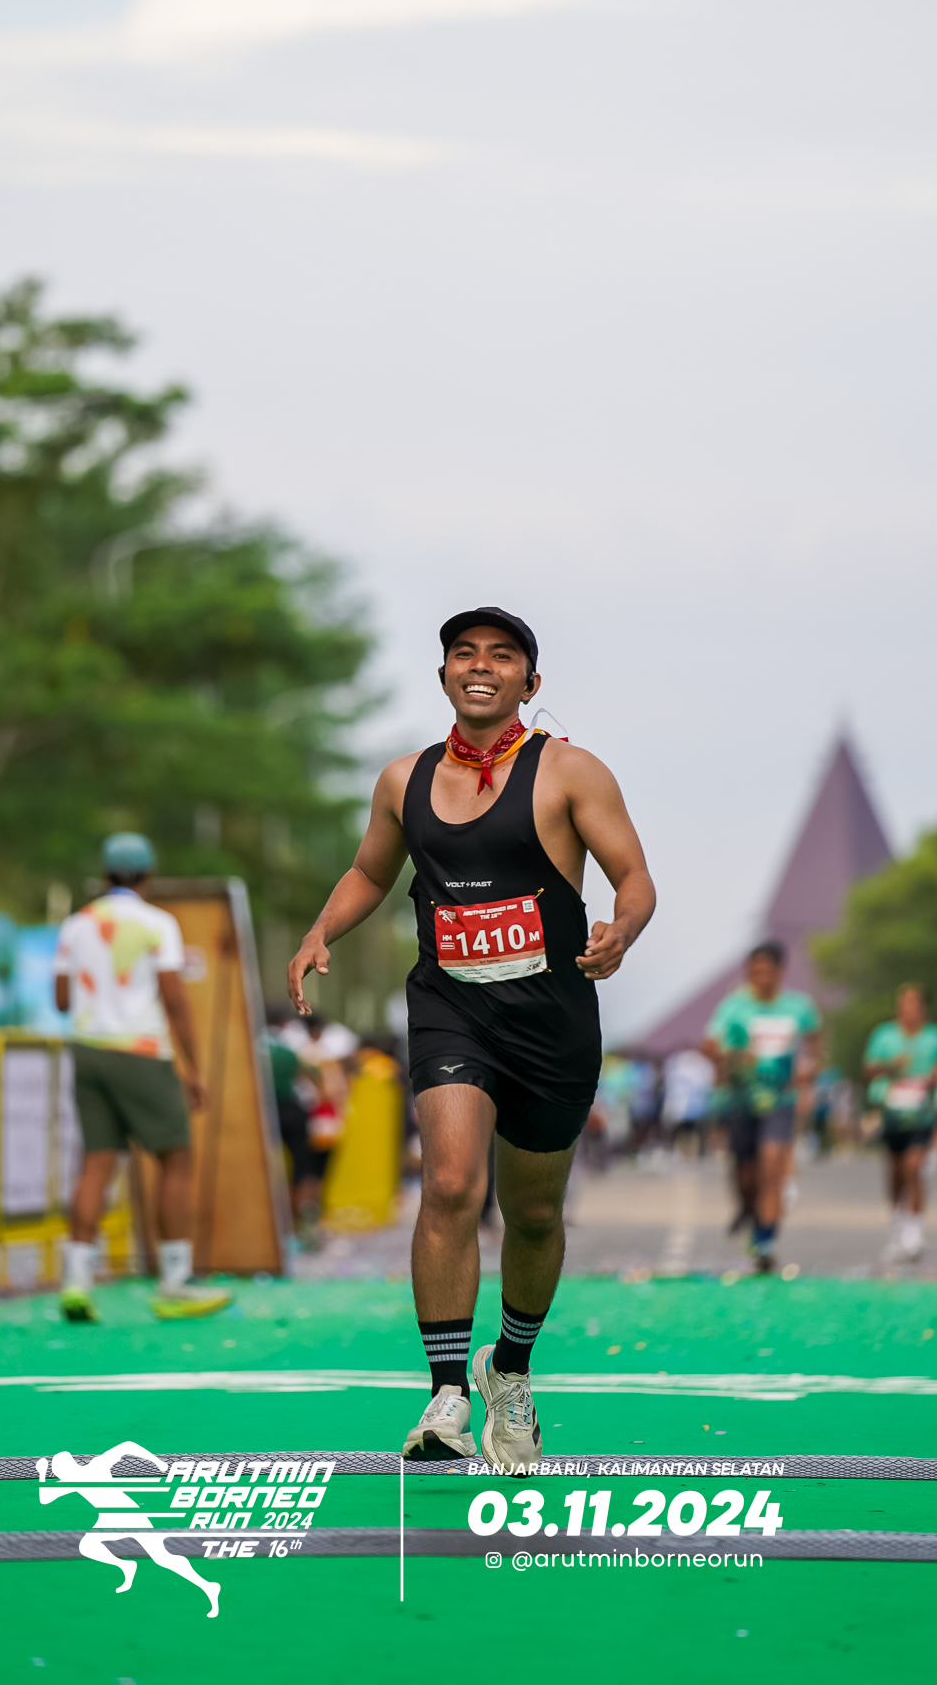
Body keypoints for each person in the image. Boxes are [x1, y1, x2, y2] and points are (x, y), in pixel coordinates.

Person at [287, 606, 655, 1470]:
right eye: (464, 653)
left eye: (501, 655)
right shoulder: (403, 780)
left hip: (552, 1020)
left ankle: (510, 1371)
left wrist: (621, 929)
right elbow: (370, 870)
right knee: (451, 1183)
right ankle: (446, 1391)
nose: (480, 666)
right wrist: (319, 932)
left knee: (533, 1212)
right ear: (445, 674)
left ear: (530, 680)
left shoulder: (569, 773)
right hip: (452, 1008)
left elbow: (634, 875)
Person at [53, 832, 227, 1322]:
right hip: (142, 1052)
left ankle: (76, 1282)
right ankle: (175, 1280)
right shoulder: (157, 923)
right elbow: (173, 999)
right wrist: (194, 1067)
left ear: (104, 875)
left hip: (87, 1050)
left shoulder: (76, 925)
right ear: (149, 876)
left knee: (97, 1162)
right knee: (175, 1158)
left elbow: (61, 1000)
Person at [703, 941, 821, 1273]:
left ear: (779, 972)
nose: (760, 977)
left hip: (781, 1100)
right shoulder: (734, 1007)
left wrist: (809, 1070)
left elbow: (815, 1042)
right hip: (740, 1100)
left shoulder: (799, 1007)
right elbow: (709, 1046)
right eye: (754, 971)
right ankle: (747, 1209)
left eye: (766, 971)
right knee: (746, 1175)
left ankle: (766, 1241)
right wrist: (736, 1056)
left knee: (771, 1165)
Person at [863, 984, 937, 1262]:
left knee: (914, 1167)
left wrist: (936, 1076)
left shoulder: (936, 1036)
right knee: (897, 1171)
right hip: (893, 1111)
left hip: (922, 1112)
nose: (910, 1010)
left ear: (922, 1008)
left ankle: (914, 1233)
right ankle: (897, 1224)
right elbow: (869, 1069)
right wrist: (892, 1065)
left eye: (915, 1004)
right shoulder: (884, 1035)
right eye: (905, 1004)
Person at [262, 1003, 327, 1249]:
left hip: (264, 1110)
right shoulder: (289, 1047)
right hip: (292, 1109)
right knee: (303, 1167)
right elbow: (313, 1074)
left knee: (270, 1167)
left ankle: (279, 1224)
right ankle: (303, 1223)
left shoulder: (255, 1047)